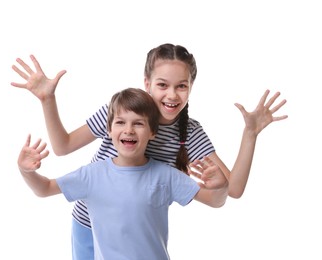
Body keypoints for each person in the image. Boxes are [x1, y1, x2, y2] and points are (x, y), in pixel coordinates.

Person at [11, 43, 288, 260]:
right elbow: (63, 146)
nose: (172, 95)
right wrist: (48, 100)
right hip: (90, 225)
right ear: (147, 83)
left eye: (182, 86)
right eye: (162, 85)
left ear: (191, 88)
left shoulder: (189, 132)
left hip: (141, 232)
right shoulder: (122, 111)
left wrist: (249, 134)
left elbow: (233, 189)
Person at [17, 87, 228, 260]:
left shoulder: (165, 176)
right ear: (108, 129)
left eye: (138, 123)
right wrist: (26, 171)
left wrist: (221, 187)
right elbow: (44, 189)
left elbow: (215, 201)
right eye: (120, 122)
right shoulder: (92, 176)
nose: (129, 130)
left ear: (152, 132)